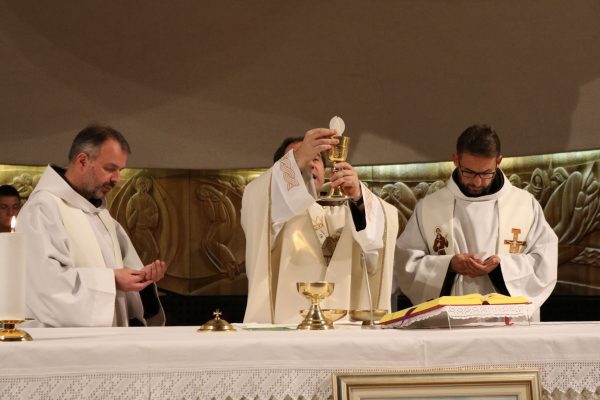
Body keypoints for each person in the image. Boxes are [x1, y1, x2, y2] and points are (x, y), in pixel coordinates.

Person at [395, 124, 557, 320]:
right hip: (449, 325)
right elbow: (407, 264)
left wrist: (501, 267)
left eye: (486, 173)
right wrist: (449, 265)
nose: (477, 182)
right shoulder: (429, 208)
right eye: (469, 172)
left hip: (507, 327)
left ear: (499, 161)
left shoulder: (525, 205)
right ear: (456, 160)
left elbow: (545, 263)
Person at [242, 128, 399, 324]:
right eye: (297, 157)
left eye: (316, 158)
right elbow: (260, 196)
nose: (309, 163)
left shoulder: (350, 211)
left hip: (345, 325)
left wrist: (359, 196)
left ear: (325, 171)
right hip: (289, 325)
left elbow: (374, 244)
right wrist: (299, 158)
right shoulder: (273, 212)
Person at [17, 125, 167, 327]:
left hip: (109, 337)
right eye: (110, 169)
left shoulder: (100, 214)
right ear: (83, 161)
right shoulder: (42, 209)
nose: (117, 180)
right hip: (65, 341)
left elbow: (125, 270)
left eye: (120, 171)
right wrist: (112, 280)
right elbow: (46, 286)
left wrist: (142, 277)